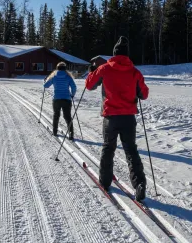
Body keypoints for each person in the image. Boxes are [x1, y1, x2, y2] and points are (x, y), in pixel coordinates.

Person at [85, 38, 149, 201]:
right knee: (131, 150)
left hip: (110, 117)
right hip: (128, 118)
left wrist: (91, 70)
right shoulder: (134, 71)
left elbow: (89, 85)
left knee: (108, 148)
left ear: (114, 54)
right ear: (127, 55)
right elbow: (144, 94)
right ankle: (139, 184)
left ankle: (105, 182)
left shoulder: (104, 68)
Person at [43, 62, 77, 140]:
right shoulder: (68, 77)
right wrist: (72, 94)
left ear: (57, 68)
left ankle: (55, 131)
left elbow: (46, 86)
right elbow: (74, 87)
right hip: (67, 99)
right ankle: (71, 133)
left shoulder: (54, 76)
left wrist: (45, 80)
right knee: (67, 116)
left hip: (56, 99)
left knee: (56, 115)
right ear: (65, 69)